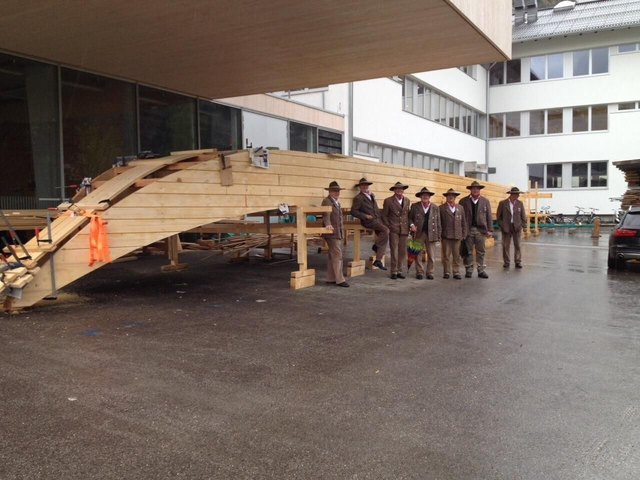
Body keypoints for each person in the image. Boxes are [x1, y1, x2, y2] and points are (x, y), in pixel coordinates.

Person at [350, 177, 388, 270]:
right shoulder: (358, 198)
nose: (365, 187)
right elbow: (353, 211)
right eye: (363, 185)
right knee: (386, 230)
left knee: (384, 237)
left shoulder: (371, 195)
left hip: (377, 220)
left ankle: (378, 260)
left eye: (366, 185)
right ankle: (376, 246)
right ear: (359, 187)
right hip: (368, 221)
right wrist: (365, 216)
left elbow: (375, 208)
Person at [459, 180, 493, 279]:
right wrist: (462, 230)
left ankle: (481, 270)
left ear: (479, 190)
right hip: (468, 230)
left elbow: (489, 216)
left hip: (481, 230)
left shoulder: (485, 201)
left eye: (477, 189)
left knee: (481, 251)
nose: (475, 190)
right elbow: (460, 216)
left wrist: (490, 229)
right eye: (473, 188)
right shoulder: (463, 201)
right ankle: (469, 270)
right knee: (468, 251)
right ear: (470, 190)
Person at [409, 186, 441, 280]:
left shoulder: (435, 207)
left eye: (427, 195)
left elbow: (438, 222)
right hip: (418, 233)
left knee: (431, 255)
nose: (425, 196)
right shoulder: (415, 206)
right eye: (423, 195)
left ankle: (430, 272)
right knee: (417, 254)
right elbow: (409, 218)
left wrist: (439, 236)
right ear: (420, 196)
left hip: (432, 233)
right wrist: (412, 225)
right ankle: (419, 272)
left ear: (429, 196)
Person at [321, 181, 349, 287]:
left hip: (337, 232)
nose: (337, 192)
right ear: (329, 191)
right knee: (338, 255)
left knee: (332, 255)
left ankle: (330, 278)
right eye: (334, 191)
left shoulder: (337, 202)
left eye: (338, 191)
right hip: (331, 232)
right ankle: (340, 279)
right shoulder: (327, 201)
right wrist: (327, 224)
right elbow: (326, 214)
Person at [382, 181, 411, 279]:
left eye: (401, 189)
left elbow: (407, 215)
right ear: (394, 190)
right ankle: (393, 271)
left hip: (404, 229)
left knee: (402, 251)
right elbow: (384, 215)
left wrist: (410, 225)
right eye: (397, 189)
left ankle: (399, 270)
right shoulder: (388, 201)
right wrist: (388, 226)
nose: (399, 190)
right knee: (394, 250)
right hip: (393, 228)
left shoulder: (407, 200)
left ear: (403, 190)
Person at [439, 188, 467, 280]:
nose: (451, 197)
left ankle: (456, 272)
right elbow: (439, 223)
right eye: (449, 196)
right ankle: (446, 272)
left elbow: (464, 222)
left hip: (457, 235)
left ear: (455, 197)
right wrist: (440, 235)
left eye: (452, 196)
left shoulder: (460, 208)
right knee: (446, 255)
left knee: (456, 255)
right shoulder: (441, 208)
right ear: (446, 197)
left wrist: (464, 234)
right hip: (446, 235)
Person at [496, 186, 527, 269]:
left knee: (518, 245)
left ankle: (518, 262)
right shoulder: (503, 203)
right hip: (506, 227)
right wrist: (502, 225)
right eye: (516, 194)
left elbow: (523, 215)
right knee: (505, 245)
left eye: (518, 194)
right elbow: (498, 217)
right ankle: (506, 262)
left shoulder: (520, 203)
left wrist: (524, 226)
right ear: (511, 194)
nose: (518, 196)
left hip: (517, 226)